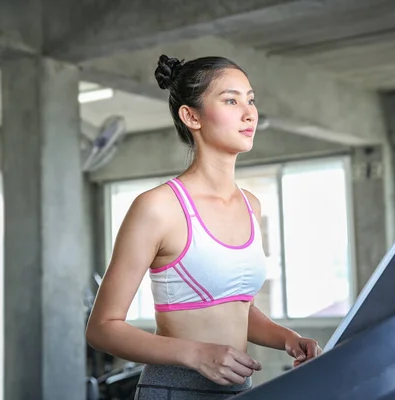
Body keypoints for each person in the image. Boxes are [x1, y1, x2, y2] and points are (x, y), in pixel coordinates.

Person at [86, 54, 323, 399]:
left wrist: (287, 338)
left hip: (239, 390)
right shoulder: (158, 207)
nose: (249, 113)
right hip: (173, 390)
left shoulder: (250, 205)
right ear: (191, 116)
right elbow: (102, 329)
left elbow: (235, 306)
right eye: (230, 100)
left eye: (250, 100)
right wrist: (197, 354)